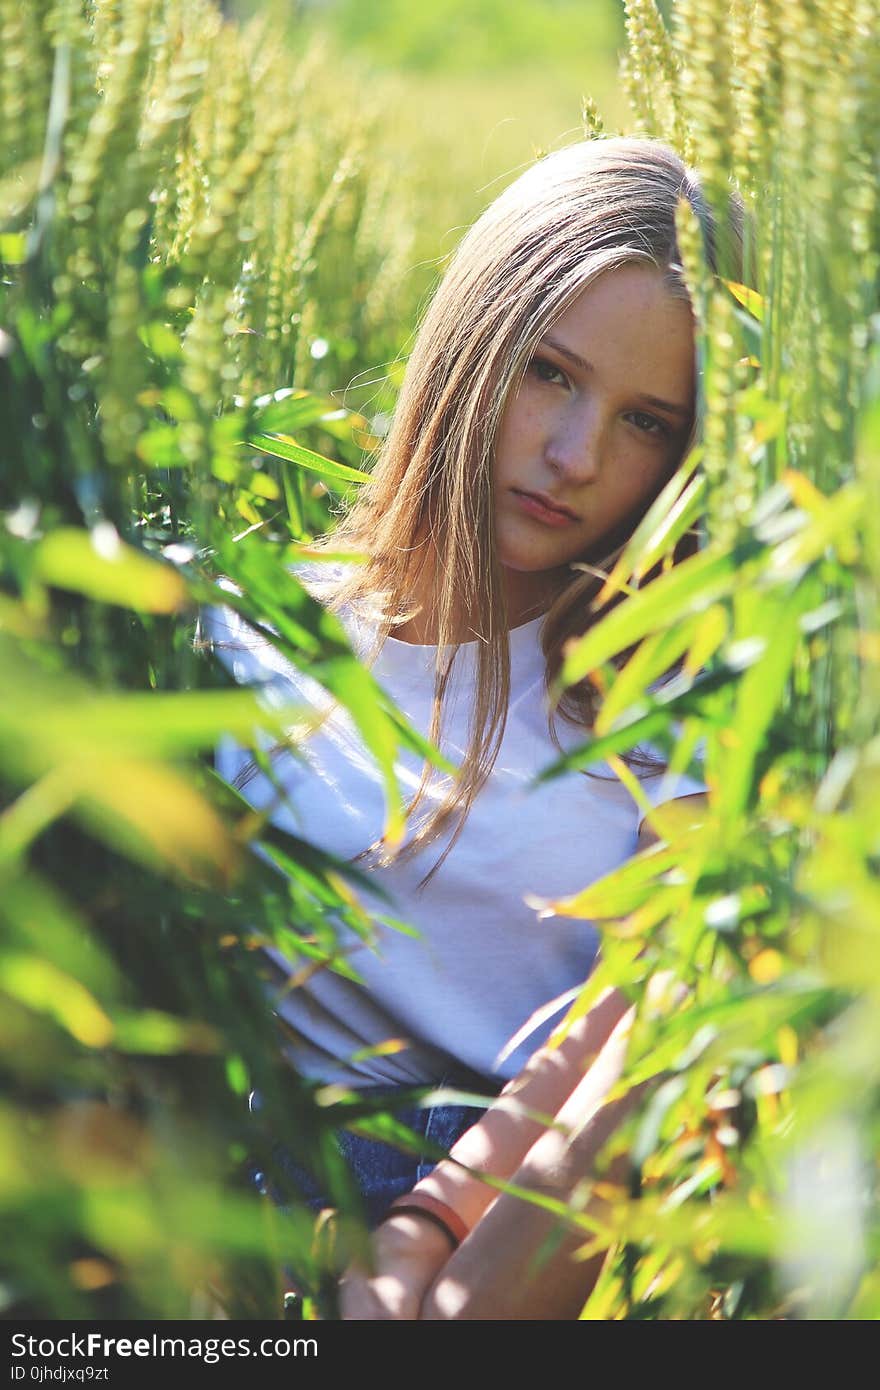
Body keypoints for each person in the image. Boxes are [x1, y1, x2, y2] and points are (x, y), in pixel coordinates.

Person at [202, 135, 743, 1318]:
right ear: (472, 340)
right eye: (549, 372)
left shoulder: (667, 692)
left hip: (515, 1234)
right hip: (240, 1207)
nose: (577, 456)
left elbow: (657, 1026)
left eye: (648, 421)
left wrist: (429, 1252)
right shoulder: (239, 629)